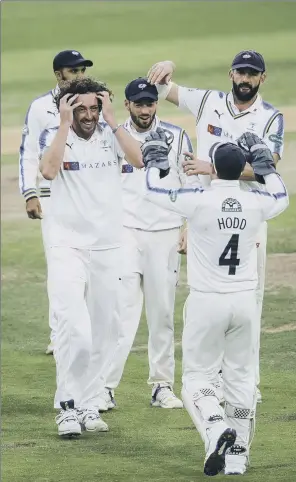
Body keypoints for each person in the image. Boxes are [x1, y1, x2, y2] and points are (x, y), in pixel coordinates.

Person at [141, 128, 288, 475]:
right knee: (241, 378)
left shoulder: (199, 199)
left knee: (196, 378)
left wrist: (156, 162)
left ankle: (215, 426)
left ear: (214, 169)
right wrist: (266, 168)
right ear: (242, 170)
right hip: (245, 302)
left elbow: (152, 189)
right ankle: (237, 458)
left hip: (208, 301)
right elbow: (281, 195)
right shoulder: (256, 203)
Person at [147, 50, 285, 402]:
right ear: (230, 74)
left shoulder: (270, 118)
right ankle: (208, 379)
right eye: (240, 73)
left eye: (252, 74)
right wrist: (170, 65)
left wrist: (214, 168)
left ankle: (244, 384)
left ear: (262, 79)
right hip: (206, 214)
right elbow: (162, 89)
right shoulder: (209, 101)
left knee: (248, 300)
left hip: (250, 215)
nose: (245, 79)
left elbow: (268, 169)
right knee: (206, 295)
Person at [38, 77, 143, 437]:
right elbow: (48, 171)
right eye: (79, 108)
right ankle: (66, 406)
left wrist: (113, 121)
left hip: (108, 247)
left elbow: (139, 159)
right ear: (66, 108)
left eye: (93, 108)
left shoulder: (110, 135)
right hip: (67, 247)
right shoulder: (56, 136)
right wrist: (64, 125)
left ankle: (87, 403)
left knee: (104, 332)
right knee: (76, 331)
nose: (88, 115)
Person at [103, 77, 199, 409]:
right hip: (126, 232)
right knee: (122, 311)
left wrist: (188, 225)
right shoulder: (114, 137)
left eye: (150, 103)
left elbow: (193, 182)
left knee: (161, 312)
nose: (145, 109)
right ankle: (105, 386)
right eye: (139, 103)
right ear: (127, 105)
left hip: (166, 232)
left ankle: (161, 386)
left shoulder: (177, 135)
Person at [19, 50, 94, 355]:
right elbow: (28, 154)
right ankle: (59, 334)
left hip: (90, 199)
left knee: (93, 268)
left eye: (82, 70)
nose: (78, 76)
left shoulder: (93, 103)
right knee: (60, 270)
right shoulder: (40, 108)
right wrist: (30, 192)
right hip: (54, 200)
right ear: (58, 74)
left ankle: (87, 331)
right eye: (72, 71)